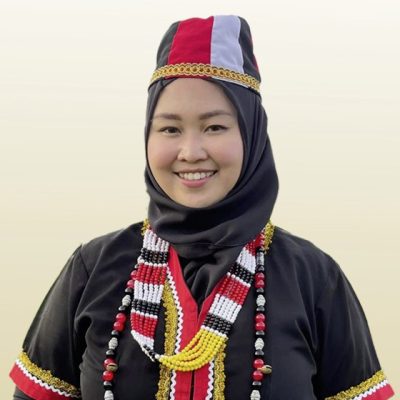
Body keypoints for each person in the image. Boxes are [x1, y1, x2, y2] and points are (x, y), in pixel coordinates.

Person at [9, 15, 395, 400]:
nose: (191, 152)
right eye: (170, 129)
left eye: (214, 127)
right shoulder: (94, 268)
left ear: (252, 136)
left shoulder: (313, 277)